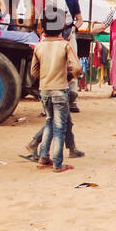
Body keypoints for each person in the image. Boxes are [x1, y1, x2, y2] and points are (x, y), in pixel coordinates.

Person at [28, 15, 79, 172]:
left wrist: (45, 77)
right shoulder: (65, 45)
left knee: (49, 122)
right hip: (59, 89)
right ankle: (57, 164)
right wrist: (68, 76)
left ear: (42, 28)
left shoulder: (39, 46)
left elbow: (34, 71)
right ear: (62, 28)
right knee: (59, 128)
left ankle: (44, 157)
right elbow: (76, 67)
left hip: (44, 90)